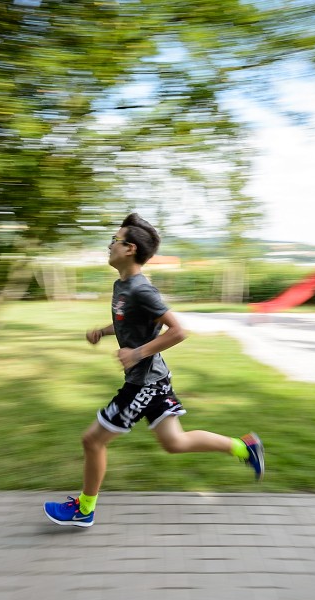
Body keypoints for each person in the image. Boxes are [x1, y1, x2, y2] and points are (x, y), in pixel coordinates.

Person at [44, 213, 264, 528]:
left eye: (115, 240)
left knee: (92, 440)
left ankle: (84, 508)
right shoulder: (122, 285)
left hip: (144, 383)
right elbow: (130, 322)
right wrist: (103, 332)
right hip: (154, 379)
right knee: (175, 443)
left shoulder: (141, 289)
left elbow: (178, 331)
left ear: (129, 248)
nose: (110, 245)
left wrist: (137, 353)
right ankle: (245, 448)